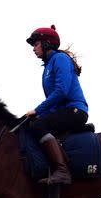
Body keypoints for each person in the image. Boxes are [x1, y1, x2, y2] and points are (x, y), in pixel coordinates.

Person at [24, 24, 88, 184]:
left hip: (75, 110)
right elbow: (54, 103)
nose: (33, 48)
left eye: (36, 44)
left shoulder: (60, 59)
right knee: (31, 124)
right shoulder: (47, 67)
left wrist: (37, 110)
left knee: (38, 126)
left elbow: (61, 92)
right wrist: (38, 114)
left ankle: (62, 171)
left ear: (46, 43)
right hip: (63, 110)